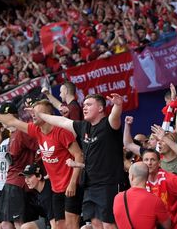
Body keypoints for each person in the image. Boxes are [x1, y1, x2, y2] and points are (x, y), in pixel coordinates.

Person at [0, 99, 84, 229]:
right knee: (59, 225)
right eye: (33, 112)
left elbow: (79, 155)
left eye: (37, 112)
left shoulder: (61, 132)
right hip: (56, 188)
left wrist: (73, 182)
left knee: (72, 225)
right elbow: (12, 121)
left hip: (70, 185)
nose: (33, 115)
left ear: (48, 116)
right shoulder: (36, 130)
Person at [34, 93, 124, 229]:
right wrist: (40, 115)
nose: (84, 108)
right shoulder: (83, 127)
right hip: (89, 184)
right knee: (95, 224)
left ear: (100, 108)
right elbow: (62, 121)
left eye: (89, 105)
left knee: (108, 225)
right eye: (84, 105)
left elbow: (115, 116)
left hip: (108, 184)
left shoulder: (109, 124)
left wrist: (118, 105)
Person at [113, 162, 172, 229]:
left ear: (131, 177)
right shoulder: (155, 200)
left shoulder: (118, 198)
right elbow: (167, 225)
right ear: (147, 178)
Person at [19, 163, 54, 229]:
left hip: (58, 222)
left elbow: (54, 224)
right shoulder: (37, 189)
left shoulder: (48, 193)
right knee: (25, 227)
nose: (26, 181)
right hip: (47, 220)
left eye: (29, 177)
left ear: (39, 177)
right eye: (25, 177)